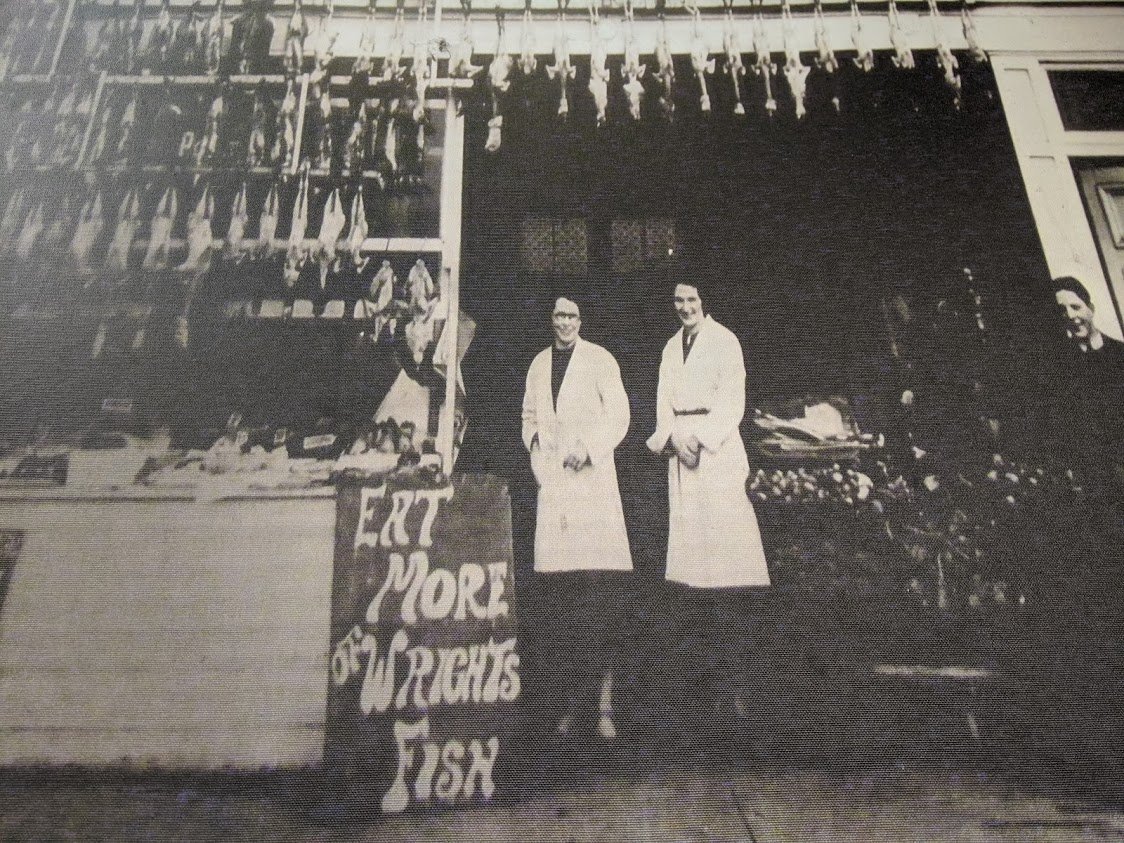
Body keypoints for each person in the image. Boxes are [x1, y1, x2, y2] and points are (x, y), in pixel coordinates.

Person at [646, 279, 770, 729]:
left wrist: (699, 440)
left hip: (714, 457)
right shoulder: (668, 348)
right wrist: (673, 441)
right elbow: (662, 404)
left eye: (692, 300)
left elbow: (731, 403)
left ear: (705, 302)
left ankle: (734, 693)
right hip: (681, 454)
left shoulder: (725, 342)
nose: (685, 308)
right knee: (690, 576)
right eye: (678, 300)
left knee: (726, 573)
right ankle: (695, 700)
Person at [521, 296, 633, 740]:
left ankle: (603, 705)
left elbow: (621, 415)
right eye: (558, 316)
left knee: (598, 602)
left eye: (571, 316)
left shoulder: (600, 360)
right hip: (555, 490)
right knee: (560, 605)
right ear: (550, 320)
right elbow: (529, 414)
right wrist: (534, 445)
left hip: (592, 492)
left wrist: (588, 450)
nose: (565, 323)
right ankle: (570, 705)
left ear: (581, 321)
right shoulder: (537, 364)